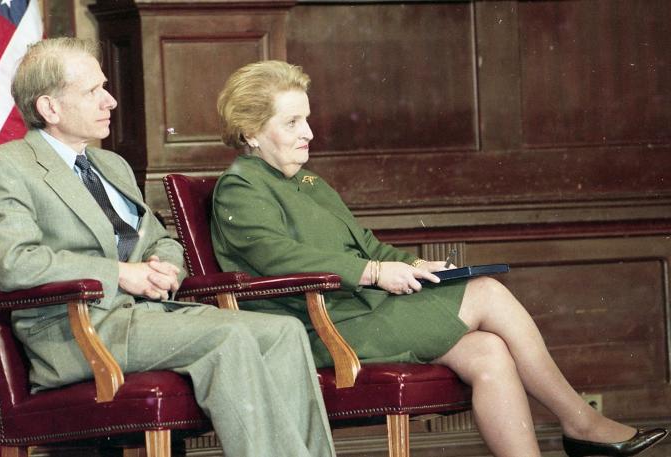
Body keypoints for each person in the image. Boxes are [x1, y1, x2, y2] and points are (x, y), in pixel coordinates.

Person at [210, 60, 668, 457]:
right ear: (251, 131)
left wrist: (413, 265)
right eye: (292, 123)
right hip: (319, 328)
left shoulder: (307, 183)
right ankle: (580, 423)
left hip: (358, 311)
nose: (308, 133)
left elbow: (366, 245)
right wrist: (373, 273)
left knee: (488, 352)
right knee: (486, 294)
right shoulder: (242, 186)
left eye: (306, 119)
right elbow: (279, 257)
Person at [0, 39, 336, 457]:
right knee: (230, 335)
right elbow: (15, 263)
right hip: (79, 329)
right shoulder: (6, 166)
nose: (109, 100)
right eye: (92, 91)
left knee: (284, 332)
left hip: (148, 318)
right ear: (50, 108)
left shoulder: (112, 165)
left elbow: (159, 238)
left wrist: (165, 266)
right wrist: (123, 274)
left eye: (105, 87)